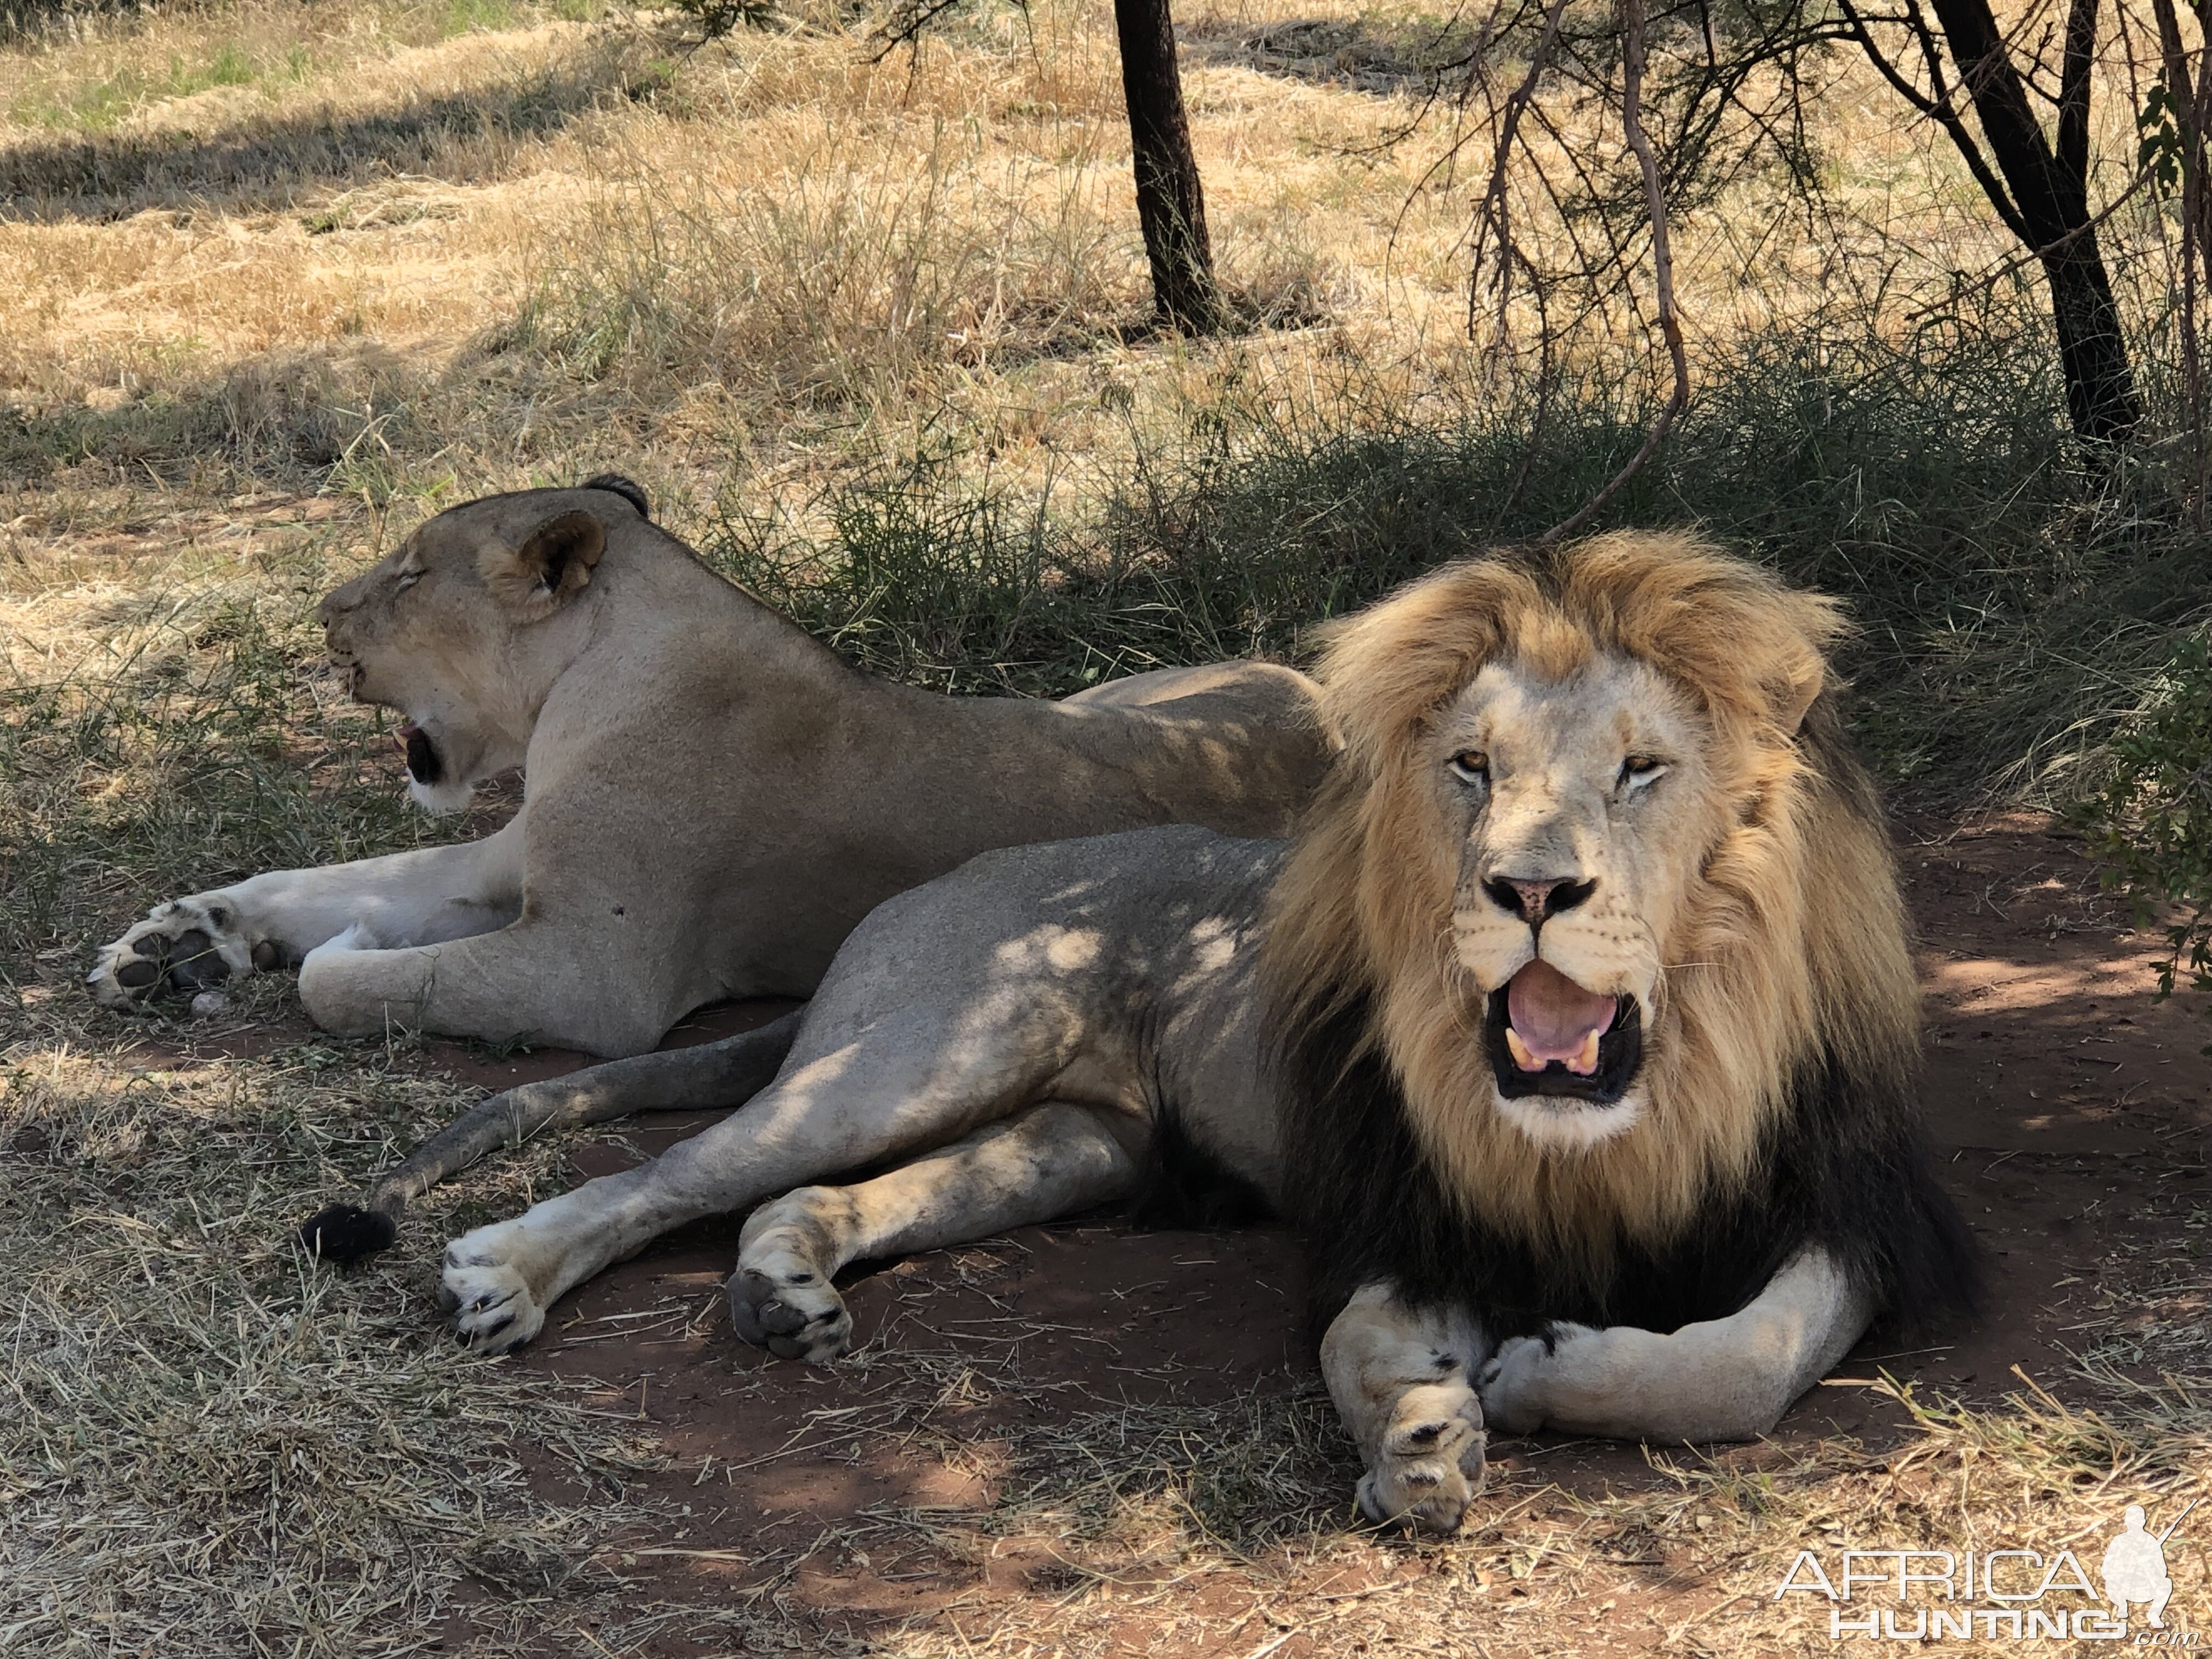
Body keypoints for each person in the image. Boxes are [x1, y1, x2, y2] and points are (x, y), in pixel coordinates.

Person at [2102, 1505, 2174, 1628]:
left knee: (2166, 1584)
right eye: (2132, 1520)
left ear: (2144, 1522)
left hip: (2145, 1587)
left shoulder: (2150, 1541)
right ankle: (2122, 1606)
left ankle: (2154, 1614)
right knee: (2110, 1584)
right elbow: (2107, 1568)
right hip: (2123, 1587)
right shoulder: (2119, 1541)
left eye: (2138, 1520)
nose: (2135, 1523)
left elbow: (2162, 1568)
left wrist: (2148, 1563)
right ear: (2126, 1522)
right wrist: (2124, 1569)